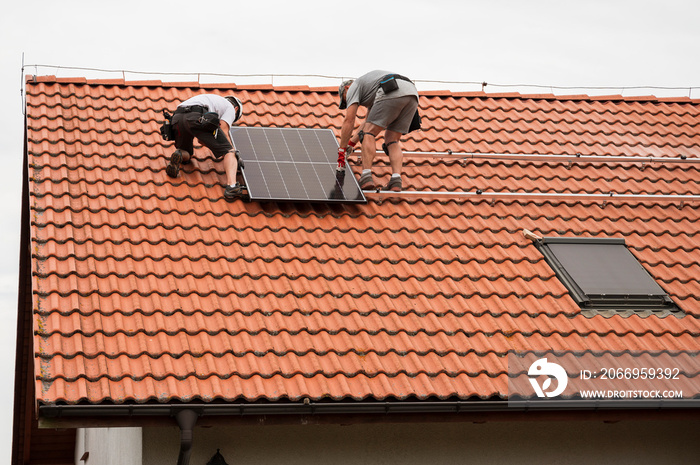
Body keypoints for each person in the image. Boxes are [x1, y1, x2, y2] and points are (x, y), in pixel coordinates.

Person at [337, 70, 419, 192]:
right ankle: (396, 180)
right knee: (392, 140)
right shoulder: (371, 92)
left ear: (346, 88)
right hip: (411, 93)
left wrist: (341, 152)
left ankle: (366, 176)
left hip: (391, 89)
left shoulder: (354, 87)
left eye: (344, 100)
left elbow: (349, 120)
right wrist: (351, 144)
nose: (347, 102)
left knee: (368, 134)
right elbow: (367, 123)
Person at [166, 93, 244, 201]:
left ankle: (179, 154)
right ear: (236, 109)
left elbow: (201, 139)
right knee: (229, 152)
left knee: (186, 153)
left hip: (177, 118)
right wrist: (234, 155)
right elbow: (223, 130)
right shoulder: (230, 108)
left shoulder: (212, 100)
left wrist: (215, 146)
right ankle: (232, 186)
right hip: (197, 118)